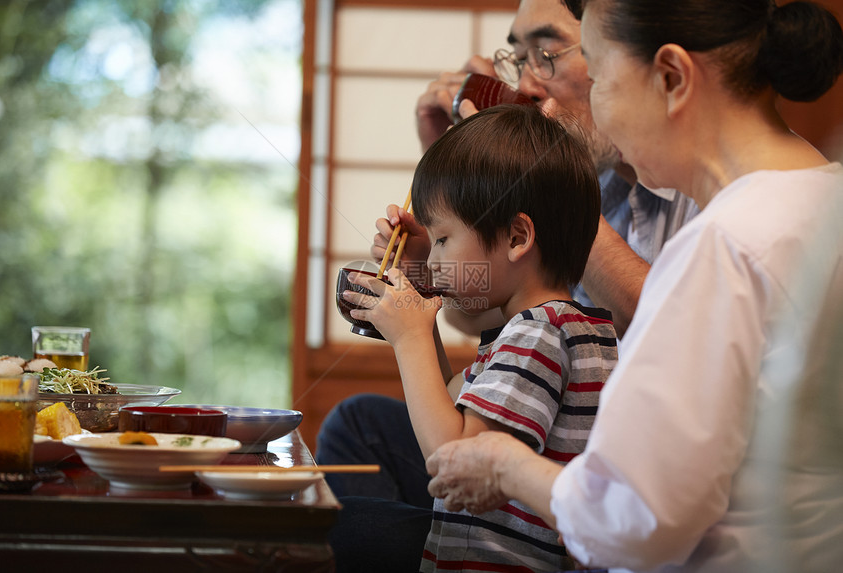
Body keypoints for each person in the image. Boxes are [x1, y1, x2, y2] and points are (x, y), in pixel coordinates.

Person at [425, 1, 843, 571]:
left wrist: (504, 465)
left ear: (671, 77)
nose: (593, 105)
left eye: (598, 75)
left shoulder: (724, 244)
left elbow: (633, 519)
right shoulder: (824, 198)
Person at [316, 0, 697, 509]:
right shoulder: (537, 318)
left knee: (347, 527)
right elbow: (476, 330)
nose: (529, 84)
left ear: (620, 53)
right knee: (357, 423)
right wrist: (429, 276)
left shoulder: (547, 324)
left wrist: (535, 179)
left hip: (594, 492)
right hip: (517, 474)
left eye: (547, 53)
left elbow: (456, 452)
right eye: (519, 60)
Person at [340, 104, 618, 572]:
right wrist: (420, 319)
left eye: (444, 239)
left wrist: (409, 341)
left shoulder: (540, 332)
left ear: (516, 237)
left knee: (340, 526)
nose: (434, 260)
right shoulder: (565, 325)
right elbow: (453, 405)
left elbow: (453, 456)